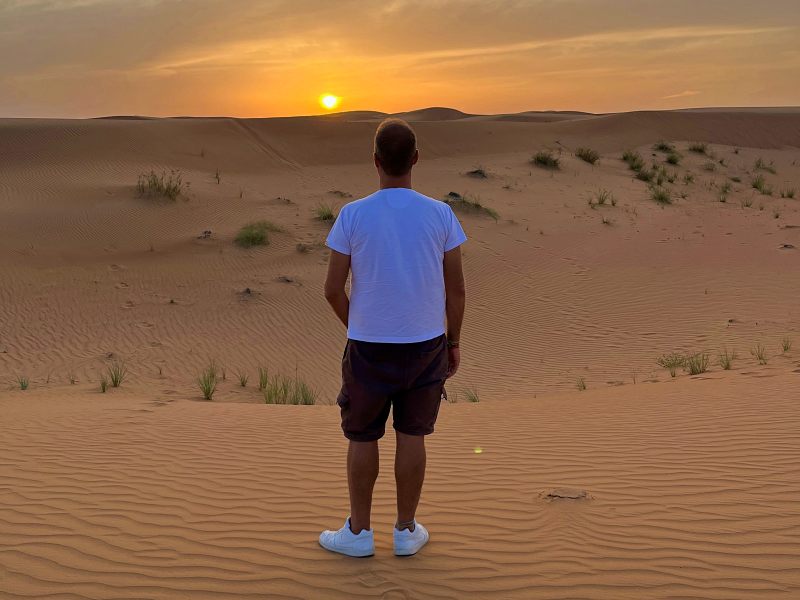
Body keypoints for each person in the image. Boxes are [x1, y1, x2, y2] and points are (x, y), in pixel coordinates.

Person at [319, 118, 467, 557]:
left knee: (362, 436)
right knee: (412, 435)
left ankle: (359, 534)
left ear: (376, 161)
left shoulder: (352, 214)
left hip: (368, 348)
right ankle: (405, 530)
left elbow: (331, 289)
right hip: (426, 344)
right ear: (415, 159)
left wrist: (360, 324)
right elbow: (456, 289)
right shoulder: (441, 213)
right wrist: (453, 342)